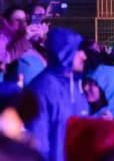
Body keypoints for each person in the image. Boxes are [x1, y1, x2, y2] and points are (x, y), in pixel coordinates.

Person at [26, 28, 88, 161]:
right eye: (78, 51)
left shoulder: (74, 85)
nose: (84, 56)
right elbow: (37, 140)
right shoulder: (41, 89)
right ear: (64, 52)